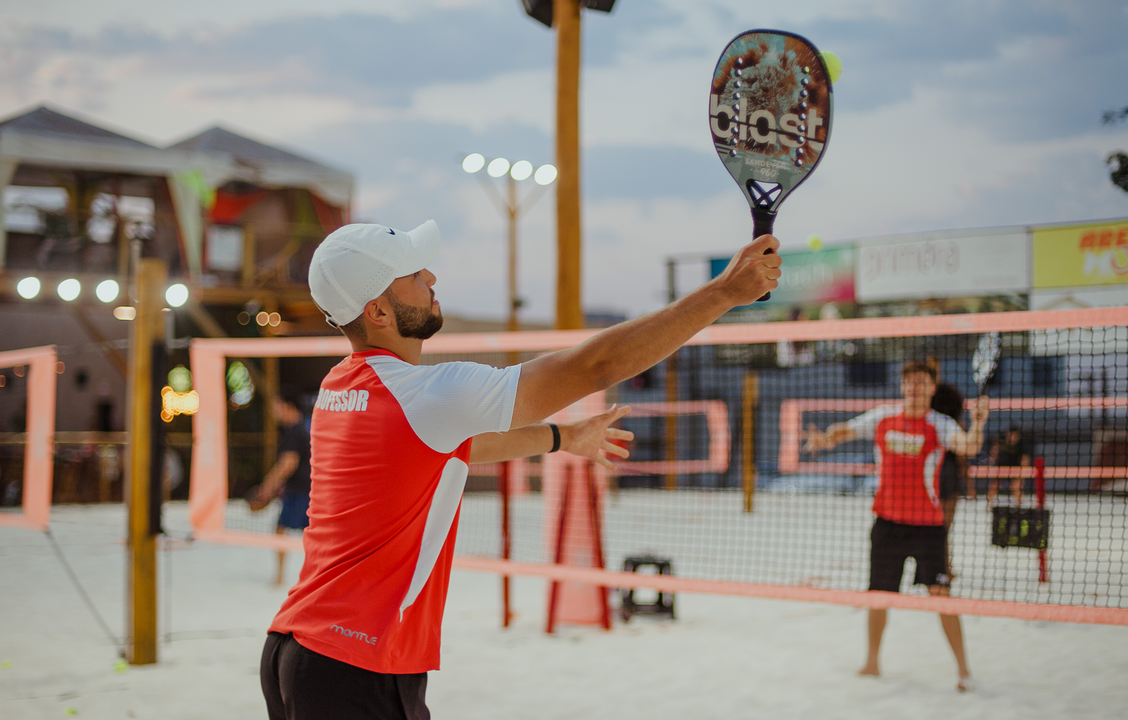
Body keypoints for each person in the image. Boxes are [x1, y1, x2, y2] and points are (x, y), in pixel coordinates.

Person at [260, 221, 781, 719]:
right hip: (353, 662)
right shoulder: (423, 394)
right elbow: (594, 367)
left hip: (299, 647)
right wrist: (722, 294)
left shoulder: (341, 387)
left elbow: (456, 447)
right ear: (377, 310)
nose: (432, 277)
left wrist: (563, 437)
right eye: (414, 274)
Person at [802, 361, 987, 692]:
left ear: (931, 388)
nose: (914, 387)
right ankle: (871, 663)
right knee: (878, 596)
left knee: (942, 597)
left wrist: (980, 424)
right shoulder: (883, 417)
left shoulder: (940, 424)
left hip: (928, 528)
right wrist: (826, 438)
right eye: (909, 381)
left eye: (921, 382)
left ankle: (964, 670)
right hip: (887, 524)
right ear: (902, 386)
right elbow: (846, 430)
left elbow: (970, 445)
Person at [248, 395, 313, 586]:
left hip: (301, 491)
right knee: (302, 532)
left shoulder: (295, 430)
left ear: (288, 406)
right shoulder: (301, 428)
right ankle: (289, 576)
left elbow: (288, 463)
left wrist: (266, 488)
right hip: (304, 489)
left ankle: (281, 576)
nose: (273, 412)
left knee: (284, 530)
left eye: (276, 407)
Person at [930, 382, 967, 578]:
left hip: (932, 474)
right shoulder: (955, 426)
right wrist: (969, 483)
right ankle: (943, 568)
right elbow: (962, 458)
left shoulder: (931, 424)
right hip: (949, 475)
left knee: (933, 527)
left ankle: (942, 568)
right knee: (944, 528)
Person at [987, 425, 1031, 505]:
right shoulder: (1000, 440)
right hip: (1001, 467)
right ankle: (988, 503)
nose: (1012, 437)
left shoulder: (1022, 444)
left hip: (1015, 468)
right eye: (1010, 435)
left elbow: (1025, 460)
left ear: (1018, 436)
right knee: (994, 485)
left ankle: (1019, 505)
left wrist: (1022, 474)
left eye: (1014, 435)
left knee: (1016, 486)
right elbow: (993, 454)